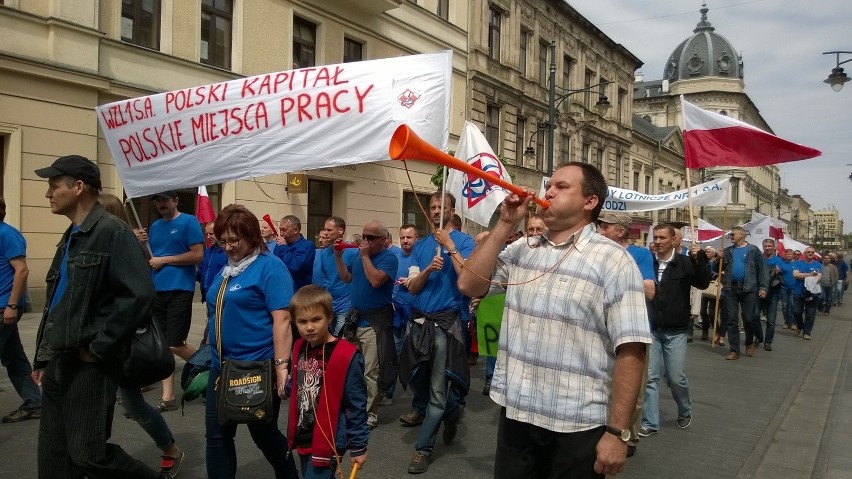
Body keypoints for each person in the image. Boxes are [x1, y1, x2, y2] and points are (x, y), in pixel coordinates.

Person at [458, 162, 651, 478]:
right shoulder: (523, 248)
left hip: (578, 424)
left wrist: (617, 433)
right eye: (550, 186)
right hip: (518, 416)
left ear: (589, 202)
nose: (549, 191)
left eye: (562, 187)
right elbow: (470, 284)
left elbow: (632, 350)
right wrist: (505, 225)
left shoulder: (614, 260)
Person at [33, 155, 168, 478]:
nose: (48, 194)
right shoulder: (72, 235)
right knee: (53, 460)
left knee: (88, 455)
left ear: (78, 187)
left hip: (89, 364)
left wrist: (98, 348)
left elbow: (139, 295)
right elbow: (58, 299)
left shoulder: (112, 231)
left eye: (54, 186)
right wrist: (42, 356)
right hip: (58, 361)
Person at [204, 204, 298, 478]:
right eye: (223, 241)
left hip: (257, 368)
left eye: (235, 240)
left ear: (252, 236)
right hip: (221, 367)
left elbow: (282, 320)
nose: (229, 247)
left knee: (264, 434)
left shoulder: (270, 268)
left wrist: (281, 369)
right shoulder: (228, 269)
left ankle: (289, 475)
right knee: (217, 437)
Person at [98, 194, 185, 476]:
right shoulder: (97, 243)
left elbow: (137, 295)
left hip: (118, 339)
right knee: (114, 403)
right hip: (101, 338)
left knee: (132, 404)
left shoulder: (126, 248)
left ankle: (170, 449)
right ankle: (90, 453)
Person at [399, 191, 474, 474]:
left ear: (452, 210)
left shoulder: (464, 241)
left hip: (445, 324)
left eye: (441, 206)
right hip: (419, 322)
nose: (435, 210)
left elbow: (468, 277)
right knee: (417, 378)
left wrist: (450, 246)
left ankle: (423, 449)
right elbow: (414, 286)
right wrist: (429, 268)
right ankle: (453, 412)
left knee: (437, 390)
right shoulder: (421, 245)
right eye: (432, 206)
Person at [288, 285, 369, 479]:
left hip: (328, 440)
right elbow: (301, 386)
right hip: (304, 435)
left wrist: (359, 446)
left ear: (329, 317)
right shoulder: (299, 347)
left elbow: (356, 404)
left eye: (316, 319)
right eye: (302, 321)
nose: (309, 327)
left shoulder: (346, 355)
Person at [135, 191, 204, 412]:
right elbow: (151, 259)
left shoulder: (189, 221)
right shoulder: (154, 227)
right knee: (162, 344)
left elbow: (197, 255)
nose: (161, 204)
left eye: (165, 199)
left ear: (175, 200)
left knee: (174, 343)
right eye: (157, 200)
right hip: (157, 290)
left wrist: (166, 260)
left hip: (180, 289)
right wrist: (140, 243)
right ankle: (168, 396)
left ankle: (210, 366)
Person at [639, 224, 709, 437]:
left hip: (676, 330)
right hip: (651, 328)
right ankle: (650, 422)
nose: (657, 241)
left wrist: (701, 259)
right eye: (655, 237)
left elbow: (703, 283)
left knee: (675, 377)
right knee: (650, 377)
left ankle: (685, 409)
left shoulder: (685, 263)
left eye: (662, 238)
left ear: (673, 240)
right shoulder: (647, 261)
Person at [596, 212, 655, 455]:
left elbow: (650, 290)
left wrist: (618, 276)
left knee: (635, 386)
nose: (600, 231)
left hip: (631, 329)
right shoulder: (596, 251)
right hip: (601, 328)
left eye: (605, 227)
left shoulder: (640, 254)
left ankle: (627, 435)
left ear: (620, 232)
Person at [334, 220, 398, 429]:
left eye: (370, 238)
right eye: (363, 236)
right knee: (347, 364)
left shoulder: (388, 258)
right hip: (355, 319)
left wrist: (363, 256)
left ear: (383, 240)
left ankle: (370, 414)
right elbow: (345, 278)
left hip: (374, 321)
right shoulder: (359, 256)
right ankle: (352, 406)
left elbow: (376, 281)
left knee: (371, 371)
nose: (365, 241)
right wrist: (338, 257)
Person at [0, 196, 42, 423]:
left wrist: (12, 305)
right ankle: (34, 403)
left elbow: (22, 271)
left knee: (12, 357)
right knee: (13, 357)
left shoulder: (8, 234)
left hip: (3, 307)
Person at [384, 224, 419, 404]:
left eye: (409, 237)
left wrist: (414, 282)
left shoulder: (420, 257)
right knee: (393, 352)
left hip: (416, 314)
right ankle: (388, 392)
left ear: (416, 238)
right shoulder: (394, 256)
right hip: (397, 313)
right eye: (403, 237)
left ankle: (419, 395)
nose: (405, 241)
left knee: (415, 354)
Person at [721, 226, 767, 360]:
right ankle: (734, 350)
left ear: (742, 235)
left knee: (749, 318)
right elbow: (716, 268)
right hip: (731, 288)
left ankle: (749, 342)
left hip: (749, 288)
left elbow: (762, 270)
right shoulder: (727, 251)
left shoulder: (753, 250)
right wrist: (718, 259)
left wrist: (763, 287)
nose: (731, 237)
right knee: (731, 319)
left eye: (733, 234)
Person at [313, 217, 357, 335]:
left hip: (346, 305)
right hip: (330, 305)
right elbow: (324, 279)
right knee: (332, 339)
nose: (326, 233)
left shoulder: (353, 252)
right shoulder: (323, 253)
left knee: (340, 339)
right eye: (325, 230)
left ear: (340, 231)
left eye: (329, 230)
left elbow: (356, 278)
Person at [273, 215, 315, 291]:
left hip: (299, 292)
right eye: (280, 230)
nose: (281, 234)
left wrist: (284, 247)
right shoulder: (280, 244)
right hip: (280, 289)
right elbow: (274, 264)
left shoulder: (307, 245)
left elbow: (295, 266)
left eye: (284, 230)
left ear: (296, 230)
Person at [792, 248, 822, 340]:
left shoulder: (817, 264)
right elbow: (796, 275)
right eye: (808, 252)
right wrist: (810, 275)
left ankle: (807, 332)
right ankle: (799, 326)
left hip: (812, 292)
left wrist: (806, 277)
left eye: (812, 252)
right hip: (798, 291)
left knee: (810, 313)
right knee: (796, 312)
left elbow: (819, 277)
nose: (810, 253)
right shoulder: (798, 263)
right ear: (804, 253)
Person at [759, 239, 784, 351]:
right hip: (759, 292)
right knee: (753, 317)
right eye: (766, 246)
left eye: (770, 246)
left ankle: (768, 342)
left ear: (773, 247)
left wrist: (777, 272)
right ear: (763, 247)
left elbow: (780, 273)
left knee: (771, 320)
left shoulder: (778, 260)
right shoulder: (759, 259)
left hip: (773, 294)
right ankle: (758, 336)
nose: (768, 248)